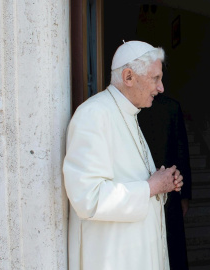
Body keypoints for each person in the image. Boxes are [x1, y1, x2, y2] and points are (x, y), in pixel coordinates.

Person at [63, 40, 183, 270]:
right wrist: (151, 187)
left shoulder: (128, 114)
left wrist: (163, 183)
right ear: (128, 77)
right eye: (155, 78)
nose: (161, 88)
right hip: (113, 257)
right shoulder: (94, 114)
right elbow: (88, 198)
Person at [138, 94, 192, 270]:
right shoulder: (125, 110)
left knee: (173, 249)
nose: (160, 85)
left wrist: (184, 195)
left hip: (170, 191)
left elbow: (181, 151)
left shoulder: (171, 107)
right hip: (140, 192)